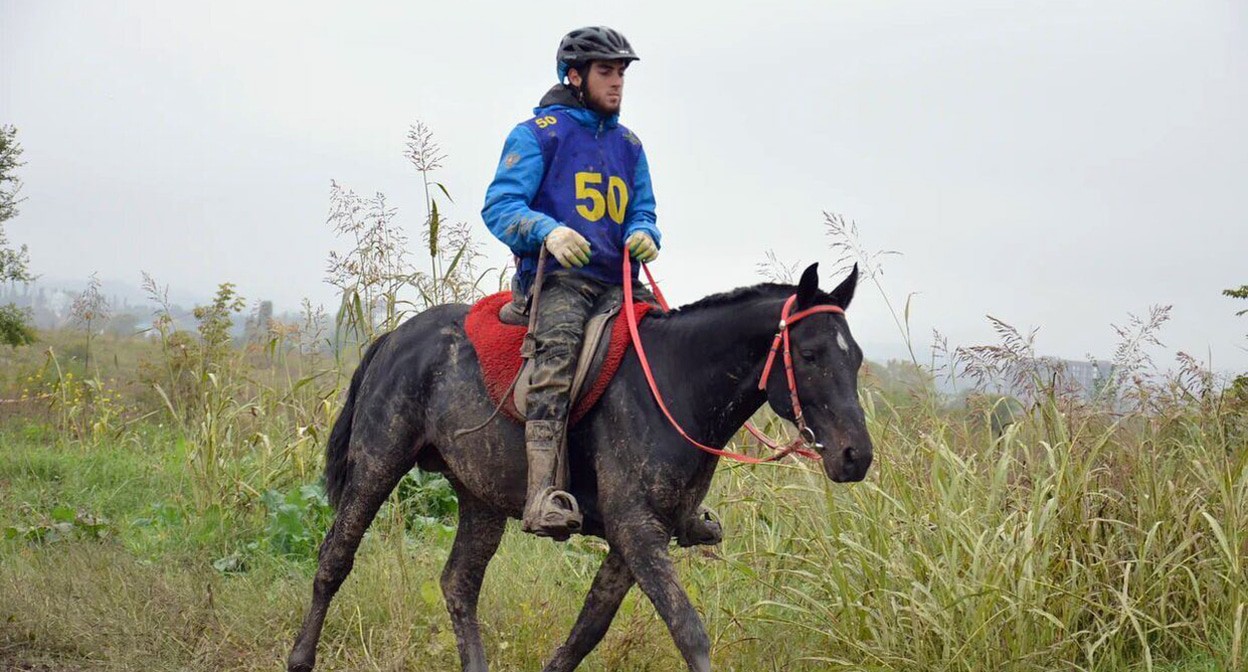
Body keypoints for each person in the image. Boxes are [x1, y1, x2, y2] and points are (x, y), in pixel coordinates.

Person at [481, 26, 662, 539]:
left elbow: (643, 209)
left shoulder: (630, 145)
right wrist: (548, 231)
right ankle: (542, 495)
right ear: (575, 76)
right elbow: (500, 207)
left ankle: (671, 499)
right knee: (557, 357)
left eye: (622, 72)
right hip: (560, 281)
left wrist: (646, 232)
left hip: (620, 284)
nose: (618, 82)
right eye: (607, 71)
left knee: (670, 351)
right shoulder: (538, 132)